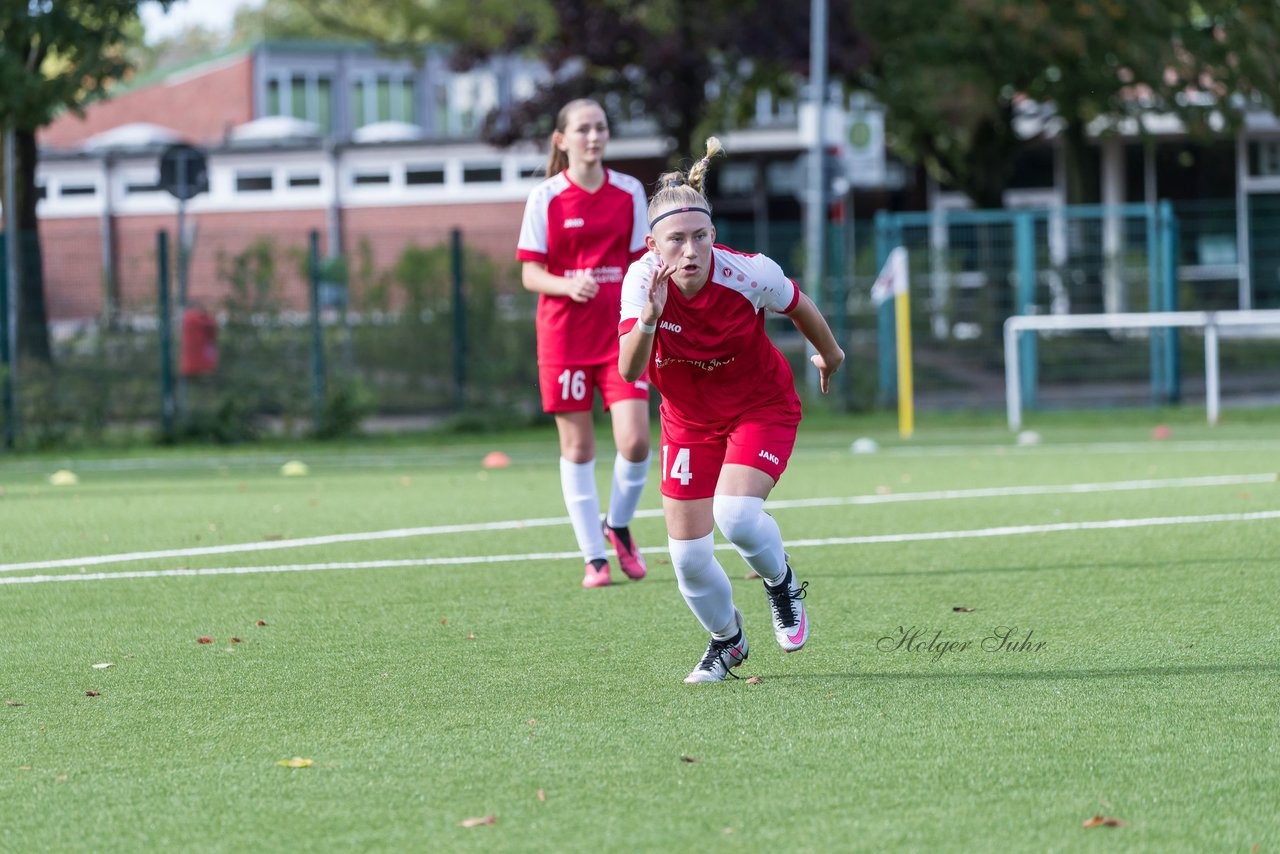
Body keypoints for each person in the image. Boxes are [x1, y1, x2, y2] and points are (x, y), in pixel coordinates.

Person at [618, 137, 845, 683]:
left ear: (714, 235)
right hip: (688, 423)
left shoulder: (749, 273)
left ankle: (781, 581)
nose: (690, 251)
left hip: (759, 408)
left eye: (700, 237)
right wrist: (650, 318)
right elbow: (629, 372)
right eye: (676, 240)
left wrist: (830, 354)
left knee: (736, 516)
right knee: (688, 561)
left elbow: (798, 303)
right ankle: (728, 642)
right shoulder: (640, 282)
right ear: (653, 244)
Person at [516, 98, 653, 589]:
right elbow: (531, 272)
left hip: (622, 336)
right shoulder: (546, 197)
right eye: (582, 129)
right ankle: (593, 556)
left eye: (600, 128)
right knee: (577, 449)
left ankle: (617, 525)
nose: (593, 137)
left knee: (636, 442)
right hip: (565, 337)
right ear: (562, 139)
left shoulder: (629, 191)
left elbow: (643, 262)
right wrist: (566, 284)